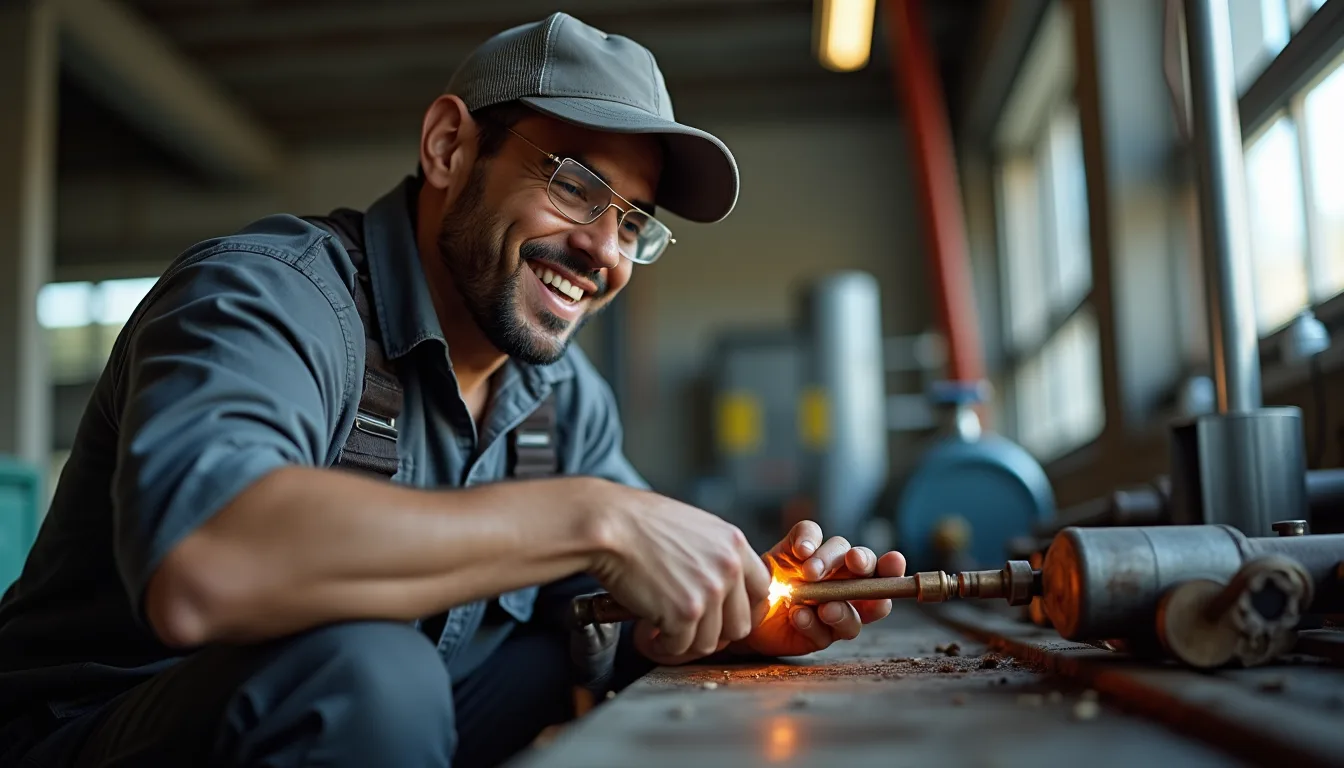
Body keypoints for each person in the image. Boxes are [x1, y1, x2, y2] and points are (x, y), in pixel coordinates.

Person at [0, 12, 906, 768]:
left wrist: (737, 614)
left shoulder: (559, 396)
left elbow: (604, 613)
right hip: (100, 735)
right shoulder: (268, 296)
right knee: (367, 674)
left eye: (634, 222)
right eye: (578, 184)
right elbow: (204, 564)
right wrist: (598, 517)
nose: (605, 252)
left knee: (541, 647)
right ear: (448, 146)